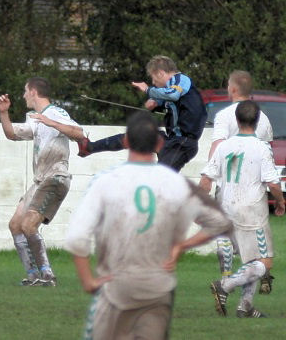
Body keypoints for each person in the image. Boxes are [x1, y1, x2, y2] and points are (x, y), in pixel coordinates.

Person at [65, 111, 231, 339]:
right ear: (158, 143)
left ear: (125, 141)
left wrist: (88, 282)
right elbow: (219, 222)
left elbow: (76, 238)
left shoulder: (106, 181)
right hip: (158, 285)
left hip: (117, 285)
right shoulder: (175, 182)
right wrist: (179, 247)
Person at [199, 100, 285, 318]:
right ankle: (225, 286)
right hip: (251, 211)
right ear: (258, 122)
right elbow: (273, 184)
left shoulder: (224, 146)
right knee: (264, 261)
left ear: (236, 120)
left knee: (251, 259)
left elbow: (206, 178)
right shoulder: (261, 147)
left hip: (227, 207)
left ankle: (245, 306)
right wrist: (280, 202)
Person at [0, 77, 85, 286]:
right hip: (40, 180)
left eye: (25, 91)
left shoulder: (55, 112)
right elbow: (11, 134)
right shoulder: (35, 118)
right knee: (16, 225)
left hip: (56, 176)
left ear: (34, 92)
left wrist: (51, 122)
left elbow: (79, 133)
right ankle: (33, 275)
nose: (23, 95)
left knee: (28, 224)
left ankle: (47, 275)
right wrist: (3, 113)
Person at [207, 71, 275, 294]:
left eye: (228, 84)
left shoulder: (224, 115)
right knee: (255, 239)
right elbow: (268, 151)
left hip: (228, 186)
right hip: (254, 189)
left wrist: (210, 175)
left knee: (224, 234)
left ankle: (227, 279)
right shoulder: (263, 117)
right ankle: (256, 279)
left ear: (233, 89)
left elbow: (217, 147)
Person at [78, 55, 208, 172]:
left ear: (160, 73)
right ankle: (90, 147)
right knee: (136, 135)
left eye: (153, 78)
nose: (153, 83)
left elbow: (173, 95)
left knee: (161, 179)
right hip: (172, 140)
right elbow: (174, 103)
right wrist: (157, 104)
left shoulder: (180, 79)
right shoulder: (174, 89)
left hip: (183, 142)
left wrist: (148, 90)